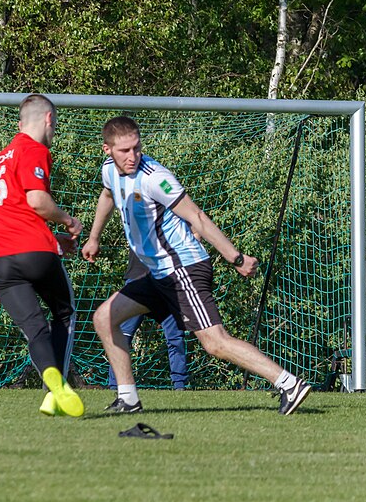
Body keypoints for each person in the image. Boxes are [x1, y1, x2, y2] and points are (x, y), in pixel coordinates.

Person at [82, 116, 310, 415]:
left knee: (215, 343)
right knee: (103, 318)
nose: (132, 156)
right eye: (124, 150)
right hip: (158, 273)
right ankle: (128, 398)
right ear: (107, 150)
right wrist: (94, 237)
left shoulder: (155, 178)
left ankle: (288, 384)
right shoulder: (110, 172)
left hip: (183, 270)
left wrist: (236, 258)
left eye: (136, 148)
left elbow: (198, 217)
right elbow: (108, 194)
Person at [0, 93, 85, 417]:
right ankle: (55, 390)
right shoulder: (33, 149)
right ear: (49, 120)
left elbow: (14, 209)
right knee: (65, 312)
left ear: (19, 123)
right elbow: (38, 201)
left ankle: (51, 388)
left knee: (35, 329)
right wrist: (68, 221)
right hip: (33, 253)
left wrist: (51, 236)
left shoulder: (1, 157)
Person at [107, 250, 189, 391]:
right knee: (123, 335)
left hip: (167, 282)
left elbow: (195, 231)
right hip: (137, 279)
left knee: (175, 337)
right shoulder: (138, 228)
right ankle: (115, 386)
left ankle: (180, 385)